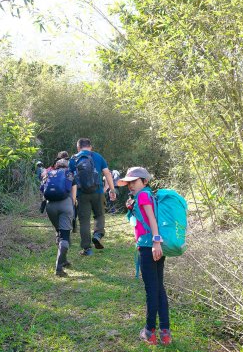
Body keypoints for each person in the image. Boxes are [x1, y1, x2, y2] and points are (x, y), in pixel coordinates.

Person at [118, 167, 172, 346]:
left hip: (150, 247)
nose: (130, 185)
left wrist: (156, 242)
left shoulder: (142, 196)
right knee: (159, 288)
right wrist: (131, 209)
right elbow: (145, 220)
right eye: (129, 182)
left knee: (152, 290)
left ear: (144, 181)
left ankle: (149, 331)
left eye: (134, 181)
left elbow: (152, 219)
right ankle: (165, 333)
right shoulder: (147, 195)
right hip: (156, 246)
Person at [69, 138, 117, 256]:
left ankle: (87, 249)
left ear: (78, 147)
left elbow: (71, 180)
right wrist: (112, 189)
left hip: (81, 194)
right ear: (90, 147)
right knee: (99, 215)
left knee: (84, 221)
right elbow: (107, 174)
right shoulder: (98, 157)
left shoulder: (73, 159)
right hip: (98, 191)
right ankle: (97, 234)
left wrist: (73, 199)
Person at [40, 158, 76, 277]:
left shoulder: (48, 174)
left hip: (50, 206)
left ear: (56, 166)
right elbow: (74, 194)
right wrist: (73, 206)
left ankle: (64, 260)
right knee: (64, 237)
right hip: (65, 205)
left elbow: (42, 190)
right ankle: (59, 268)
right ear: (66, 166)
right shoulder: (69, 173)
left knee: (59, 232)